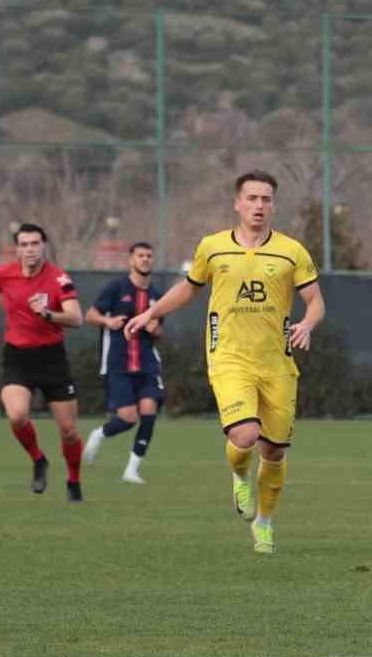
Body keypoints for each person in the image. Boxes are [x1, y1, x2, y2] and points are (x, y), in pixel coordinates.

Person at [126, 171, 325, 555]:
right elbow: (188, 288)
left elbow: (315, 300)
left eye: (266, 199)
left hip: (277, 364)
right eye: (251, 198)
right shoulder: (213, 247)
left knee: (275, 451)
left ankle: (264, 523)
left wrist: (307, 323)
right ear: (237, 203)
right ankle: (238, 474)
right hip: (229, 358)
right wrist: (151, 312)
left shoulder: (291, 251)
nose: (259, 206)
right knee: (245, 436)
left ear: (273, 205)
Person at [0, 223, 87, 502]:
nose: (29, 250)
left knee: (69, 432)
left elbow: (76, 318)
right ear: (17, 248)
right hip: (18, 357)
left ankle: (74, 482)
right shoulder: (4, 273)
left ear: (44, 246)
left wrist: (48, 314)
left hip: (52, 359)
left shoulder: (59, 278)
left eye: (34, 244)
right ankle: (39, 460)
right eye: (24, 244)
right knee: (16, 415)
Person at [83, 242, 166, 483]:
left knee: (149, 412)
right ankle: (99, 434)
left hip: (147, 364)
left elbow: (160, 330)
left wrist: (155, 329)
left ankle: (131, 470)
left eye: (150, 256)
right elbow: (89, 315)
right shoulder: (116, 287)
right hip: (118, 363)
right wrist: (107, 322)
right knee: (128, 419)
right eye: (141, 256)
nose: (146, 260)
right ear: (131, 260)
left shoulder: (157, 296)